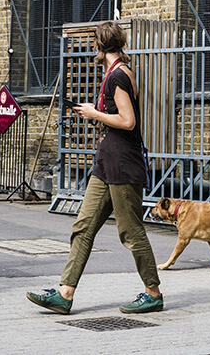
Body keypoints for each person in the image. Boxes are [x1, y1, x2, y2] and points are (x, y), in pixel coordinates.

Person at [27, 22, 163, 315]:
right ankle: (65, 293)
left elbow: (128, 121)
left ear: (101, 45)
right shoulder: (115, 74)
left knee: (130, 231)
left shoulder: (118, 76)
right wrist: (96, 114)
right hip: (106, 163)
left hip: (123, 164)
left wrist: (94, 112)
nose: (92, 50)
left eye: (94, 44)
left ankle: (153, 292)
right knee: (84, 225)